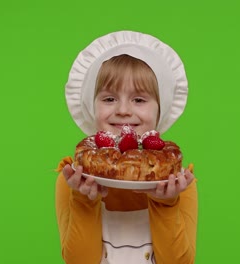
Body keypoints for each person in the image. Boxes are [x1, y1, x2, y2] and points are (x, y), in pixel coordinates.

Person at [55, 31, 197, 264]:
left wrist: (166, 203)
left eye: (139, 100)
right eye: (109, 99)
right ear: (92, 106)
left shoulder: (177, 182)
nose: (123, 110)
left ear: (160, 109)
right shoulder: (74, 179)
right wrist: (84, 200)